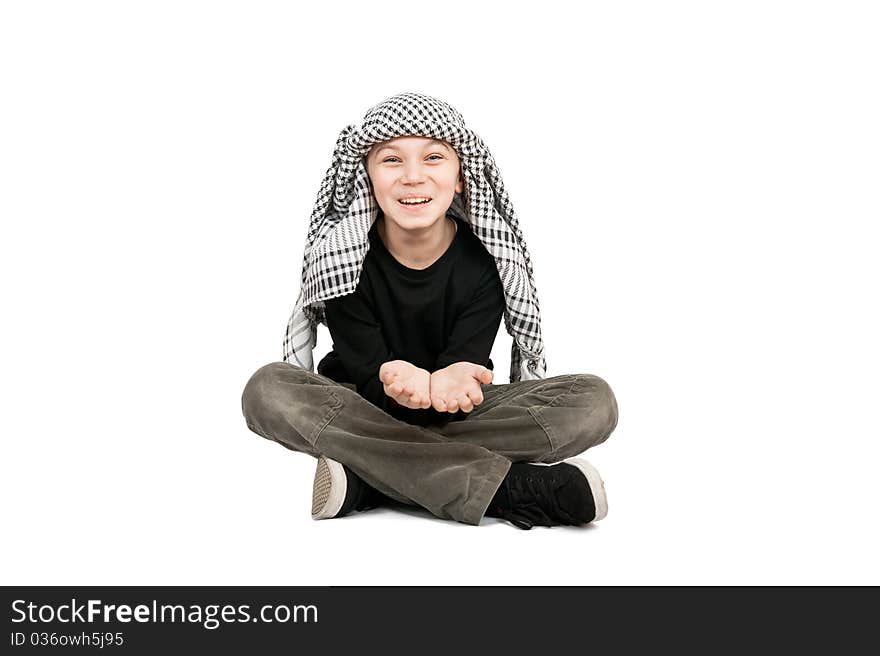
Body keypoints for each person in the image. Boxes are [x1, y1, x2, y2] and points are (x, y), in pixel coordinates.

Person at [241, 92, 619, 529]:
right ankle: (510, 490)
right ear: (367, 176)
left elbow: (461, 378)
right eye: (392, 160)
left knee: (592, 402)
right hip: (364, 402)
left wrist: (454, 375)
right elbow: (371, 375)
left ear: (460, 177)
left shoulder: (488, 264)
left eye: (433, 157)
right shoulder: (344, 260)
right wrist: (401, 384)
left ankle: (371, 478)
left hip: (450, 411)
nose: (413, 177)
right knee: (268, 390)